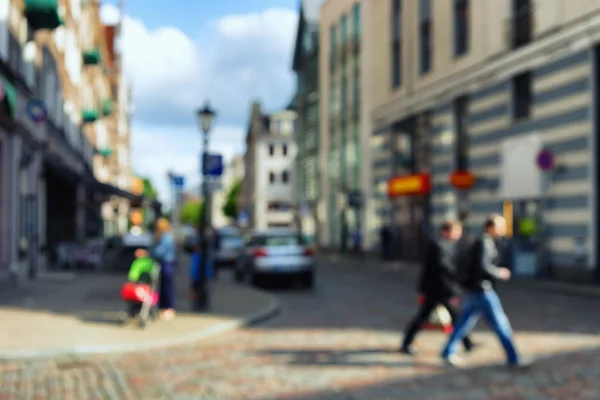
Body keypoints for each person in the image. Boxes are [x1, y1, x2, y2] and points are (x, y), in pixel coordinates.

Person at [440, 214, 533, 368]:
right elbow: (483, 266)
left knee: (464, 322)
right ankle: (513, 357)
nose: (503, 230)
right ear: (490, 227)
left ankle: (447, 351)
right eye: (500, 226)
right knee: (500, 324)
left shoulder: (486, 242)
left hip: (476, 289)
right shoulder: (485, 243)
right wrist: (500, 273)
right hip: (482, 290)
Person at [400, 219, 475, 355]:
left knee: (453, 316)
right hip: (437, 290)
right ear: (446, 231)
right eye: (456, 231)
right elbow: (444, 268)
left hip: (442, 290)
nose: (458, 234)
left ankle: (467, 342)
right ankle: (407, 343)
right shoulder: (438, 245)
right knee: (428, 316)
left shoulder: (449, 245)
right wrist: (459, 278)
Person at [150, 217, 177, 320]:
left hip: (167, 263)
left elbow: (159, 251)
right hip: (164, 263)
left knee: (167, 286)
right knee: (162, 286)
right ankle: (163, 307)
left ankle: (169, 308)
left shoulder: (166, 237)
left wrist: (149, 254)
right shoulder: (164, 236)